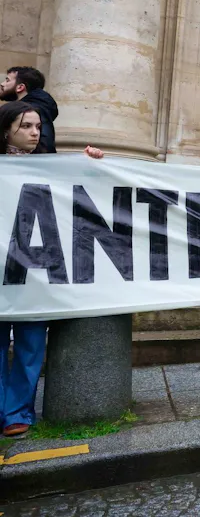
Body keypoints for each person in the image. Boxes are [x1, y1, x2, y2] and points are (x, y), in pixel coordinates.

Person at [1, 101, 103, 437]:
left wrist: (89, 163)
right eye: (25, 126)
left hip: (35, 273)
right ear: (6, 130)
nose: (34, 133)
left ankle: (18, 412)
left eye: (37, 126)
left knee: (31, 345)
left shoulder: (49, 166)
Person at [0, 66, 58, 154]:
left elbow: (45, 147)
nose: (2, 84)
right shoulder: (42, 106)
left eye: (7, 80)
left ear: (20, 87)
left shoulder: (32, 110)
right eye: (26, 126)